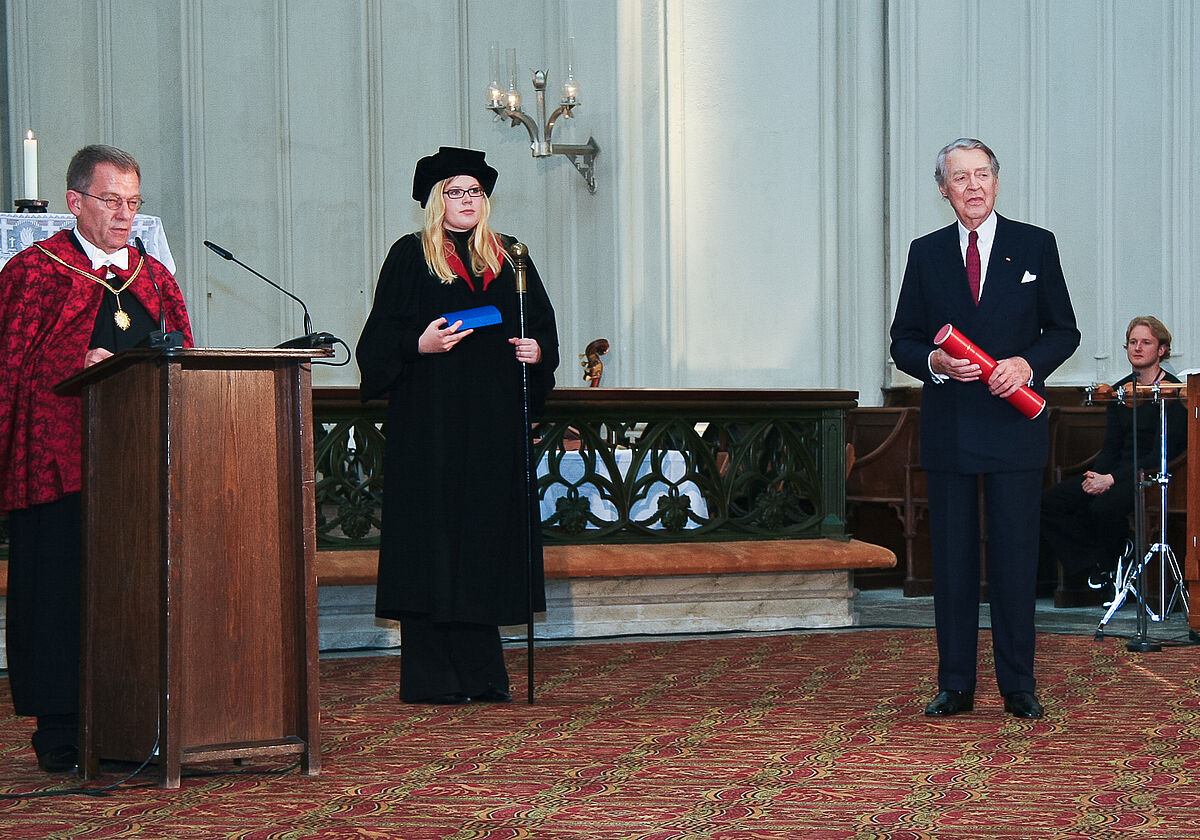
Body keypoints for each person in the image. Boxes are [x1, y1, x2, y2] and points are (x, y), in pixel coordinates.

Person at [0, 144, 194, 773]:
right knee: (61, 594)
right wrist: (74, 365)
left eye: (134, 203)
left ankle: (137, 716)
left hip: (138, 470)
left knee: (135, 592)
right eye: (112, 201)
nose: (124, 215)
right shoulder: (35, 273)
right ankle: (60, 726)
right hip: (58, 465)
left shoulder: (155, 277)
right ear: (75, 201)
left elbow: (182, 358)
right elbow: (11, 368)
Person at [356, 146, 559, 704]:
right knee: (434, 545)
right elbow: (374, 347)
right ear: (435, 200)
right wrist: (417, 345)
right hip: (431, 431)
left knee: (483, 546)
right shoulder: (410, 256)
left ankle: (483, 676)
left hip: (493, 430)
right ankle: (432, 681)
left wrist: (537, 352)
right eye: (454, 191)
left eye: (474, 191)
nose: (466, 200)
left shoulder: (512, 257)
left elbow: (544, 328)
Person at [890, 138, 1080, 720]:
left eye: (982, 175)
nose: (972, 186)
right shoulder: (925, 253)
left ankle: (1018, 682)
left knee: (1016, 560)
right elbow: (903, 340)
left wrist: (1028, 364)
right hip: (950, 427)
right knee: (951, 562)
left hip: (1014, 426)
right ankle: (955, 684)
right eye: (959, 178)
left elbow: (1063, 330)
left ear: (997, 182)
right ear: (943, 190)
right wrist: (936, 363)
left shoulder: (1035, 244)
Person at [1041, 316, 1187, 591]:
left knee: (1103, 506)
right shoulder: (1119, 391)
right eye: (1133, 342)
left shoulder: (1173, 392)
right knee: (1049, 502)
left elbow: (1159, 455)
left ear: (1162, 350)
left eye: (1146, 342)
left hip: (1150, 478)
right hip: (1114, 472)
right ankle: (1095, 567)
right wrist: (1098, 475)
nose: (1138, 348)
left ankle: (1110, 566)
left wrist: (1111, 479)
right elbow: (1111, 447)